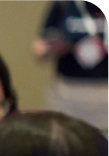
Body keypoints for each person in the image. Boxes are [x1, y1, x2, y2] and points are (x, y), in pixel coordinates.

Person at [33, 1, 109, 134]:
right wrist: (56, 46)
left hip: (104, 95)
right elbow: (39, 50)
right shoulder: (64, 4)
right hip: (68, 94)